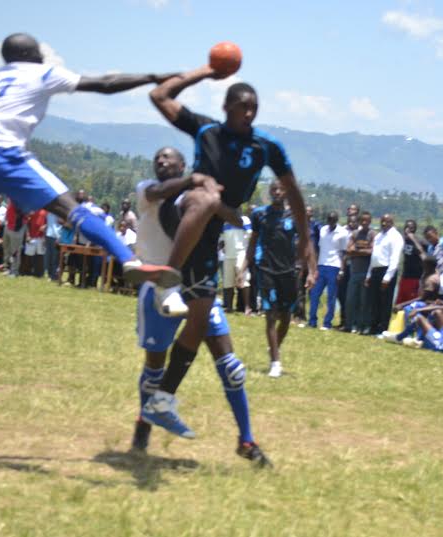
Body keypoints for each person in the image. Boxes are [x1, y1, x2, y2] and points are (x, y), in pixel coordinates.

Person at [0, 33, 179, 326]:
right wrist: (153, 76)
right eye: (39, 51)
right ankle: (129, 261)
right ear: (29, 54)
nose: (43, 56)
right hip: (5, 155)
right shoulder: (41, 72)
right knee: (74, 210)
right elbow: (103, 85)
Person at [140, 64, 317, 437]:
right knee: (207, 196)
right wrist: (204, 71)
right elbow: (160, 95)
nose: (248, 112)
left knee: (200, 318)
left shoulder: (266, 147)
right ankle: (167, 280)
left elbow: (295, 192)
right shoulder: (205, 129)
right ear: (226, 106)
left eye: (253, 107)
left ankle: (162, 400)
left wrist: (306, 240)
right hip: (185, 210)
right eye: (241, 106)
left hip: (211, 230)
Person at [131, 146, 270, 465]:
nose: (161, 161)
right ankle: (144, 423)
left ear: (182, 165)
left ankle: (246, 440)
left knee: (231, 368)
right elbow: (160, 190)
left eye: (168, 158)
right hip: (158, 285)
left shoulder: (193, 198)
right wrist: (193, 181)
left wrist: (216, 200)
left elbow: (236, 218)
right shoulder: (147, 190)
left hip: (196, 285)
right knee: (154, 368)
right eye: (157, 158)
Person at [245, 181, 299, 377]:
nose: (277, 192)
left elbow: (305, 244)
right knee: (270, 315)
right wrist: (244, 267)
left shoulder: (293, 215)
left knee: (286, 317)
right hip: (266, 269)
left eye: (280, 189)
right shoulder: (260, 214)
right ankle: (275, 362)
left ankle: (274, 347)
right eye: (273, 190)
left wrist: (309, 269)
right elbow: (253, 241)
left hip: (288, 272)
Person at [308, 211, 349, 330]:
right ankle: (312, 321)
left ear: (336, 220)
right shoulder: (323, 230)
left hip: (334, 266)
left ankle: (327, 323)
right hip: (321, 265)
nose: (331, 222)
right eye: (329, 220)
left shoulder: (343, 233)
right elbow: (318, 249)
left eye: (333, 220)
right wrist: (314, 267)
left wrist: (341, 270)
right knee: (314, 294)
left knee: (331, 296)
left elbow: (344, 253)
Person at [364, 214, 404, 335]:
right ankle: (373, 327)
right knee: (374, 301)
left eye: (386, 221)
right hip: (375, 270)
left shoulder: (396, 237)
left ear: (392, 222)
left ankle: (382, 329)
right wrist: (368, 275)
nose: (383, 223)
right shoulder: (379, 236)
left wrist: (387, 278)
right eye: (382, 221)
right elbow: (374, 257)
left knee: (385, 302)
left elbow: (395, 259)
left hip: (386, 271)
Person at [344, 211, 375, 333]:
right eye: (362, 220)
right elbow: (348, 250)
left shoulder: (372, 234)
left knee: (364, 301)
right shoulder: (355, 233)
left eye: (367, 220)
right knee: (351, 300)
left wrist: (356, 251)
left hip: (367, 273)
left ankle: (363, 326)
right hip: (354, 272)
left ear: (370, 221)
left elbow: (371, 252)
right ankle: (349, 325)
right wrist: (363, 250)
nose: (364, 222)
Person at [220, 211, 252, 314]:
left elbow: (250, 235)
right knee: (228, 282)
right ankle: (229, 307)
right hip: (228, 254)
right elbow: (222, 238)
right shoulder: (225, 222)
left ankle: (247, 307)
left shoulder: (244, 220)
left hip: (241, 252)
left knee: (243, 279)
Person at [396, 219, 427, 304]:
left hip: (415, 278)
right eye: (406, 227)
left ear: (415, 229)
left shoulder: (421, 241)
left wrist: (413, 239)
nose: (408, 230)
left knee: (410, 303)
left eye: (411, 228)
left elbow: (424, 256)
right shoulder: (402, 240)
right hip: (404, 276)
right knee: (399, 303)